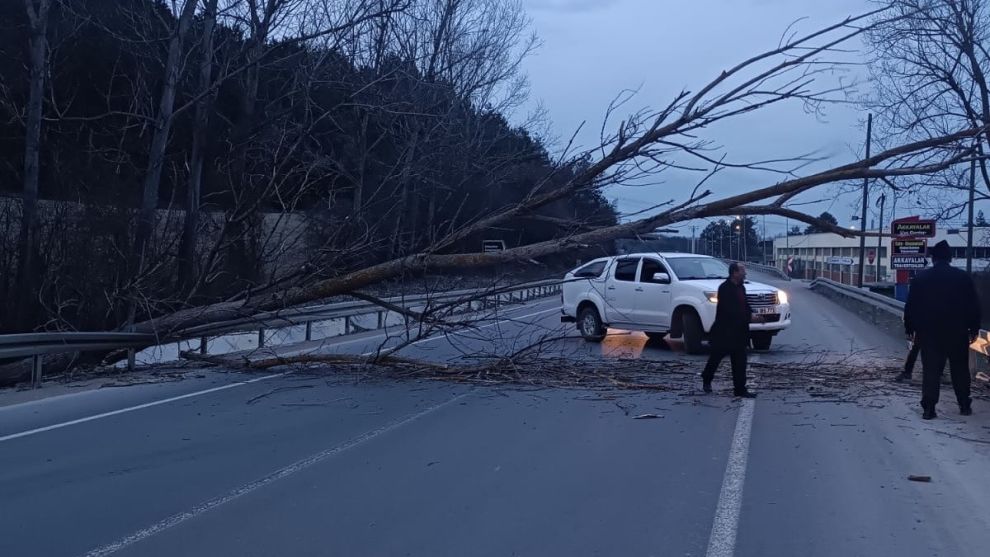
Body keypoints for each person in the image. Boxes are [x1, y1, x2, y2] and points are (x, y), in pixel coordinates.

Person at [904, 240, 980, 419]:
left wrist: (910, 327)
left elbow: (911, 306)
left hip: (929, 333)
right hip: (957, 332)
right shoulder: (963, 278)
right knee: (959, 369)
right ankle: (964, 404)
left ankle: (929, 408)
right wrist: (973, 328)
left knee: (931, 370)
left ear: (933, 258)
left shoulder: (921, 279)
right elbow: (973, 306)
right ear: (950, 258)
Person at [702, 261, 764, 398]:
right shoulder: (724, 289)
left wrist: (753, 314)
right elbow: (731, 310)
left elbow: (744, 305)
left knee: (740, 362)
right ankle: (706, 378)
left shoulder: (741, 287)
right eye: (742, 271)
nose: (745, 273)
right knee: (716, 358)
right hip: (724, 332)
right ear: (735, 273)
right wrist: (750, 318)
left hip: (740, 332)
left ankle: (740, 390)